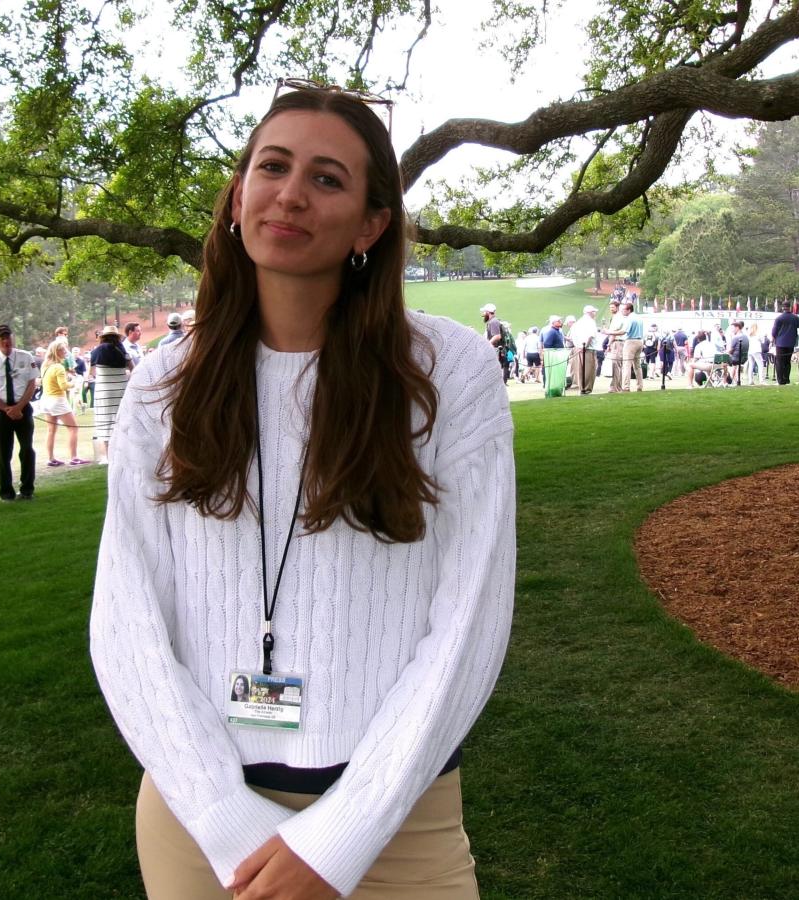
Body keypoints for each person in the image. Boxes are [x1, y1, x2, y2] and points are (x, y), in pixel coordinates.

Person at [90, 82, 514, 900]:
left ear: (370, 224)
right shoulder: (163, 386)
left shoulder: (447, 373)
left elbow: (470, 619)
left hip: (397, 824)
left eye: (327, 179)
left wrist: (344, 834)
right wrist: (223, 817)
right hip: (200, 824)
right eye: (272, 166)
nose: (289, 193)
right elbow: (127, 619)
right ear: (238, 194)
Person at [0, 323, 40, 501]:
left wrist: (19, 407)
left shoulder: (25, 357)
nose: (6, 341)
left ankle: (27, 489)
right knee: (4, 452)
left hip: (23, 408)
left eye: (8, 337)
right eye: (2, 338)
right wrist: (7, 409)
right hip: (2, 410)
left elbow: (31, 384)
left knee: (27, 449)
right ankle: (6, 492)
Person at [89, 324, 132, 465]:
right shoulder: (122, 350)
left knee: (105, 423)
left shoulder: (96, 351)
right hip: (121, 390)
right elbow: (133, 369)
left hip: (104, 392)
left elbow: (92, 373)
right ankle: (123, 455)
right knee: (120, 421)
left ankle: (108, 456)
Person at [41, 341, 86, 467]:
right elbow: (63, 386)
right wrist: (75, 383)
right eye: (64, 350)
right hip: (57, 400)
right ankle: (74, 457)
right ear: (57, 352)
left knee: (51, 430)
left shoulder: (46, 366)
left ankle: (51, 458)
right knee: (73, 428)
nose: (66, 353)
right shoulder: (58, 367)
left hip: (46, 400)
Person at [771, 304, 799, 385]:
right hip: (790, 343)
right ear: (790, 308)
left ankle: (780, 380)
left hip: (780, 343)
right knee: (787, 362)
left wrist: (772, 340)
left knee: (779, 362)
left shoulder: (779, 318)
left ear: (782, 308)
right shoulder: (795, 317)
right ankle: (786, 379)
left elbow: (774, 332)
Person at [569, 305, 601, 394]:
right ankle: (586, 389)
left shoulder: (578, 322)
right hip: (587, 349)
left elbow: (573, 336)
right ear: (590, 312)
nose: (595, 313)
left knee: (580, 370)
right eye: (594, 312)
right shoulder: (591, 322)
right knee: (589, 370)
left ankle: (582, 388)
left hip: (578, 348)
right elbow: (590, 335)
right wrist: (585, 346)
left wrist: (579, 346)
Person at [481, 303, 505, 382]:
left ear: (488, 312)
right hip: (493, 348)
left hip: (494, 349)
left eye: (484, 312)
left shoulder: (493, 322)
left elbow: (497, 336)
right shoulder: (492, 321)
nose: (483, 314)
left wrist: (487, 344)